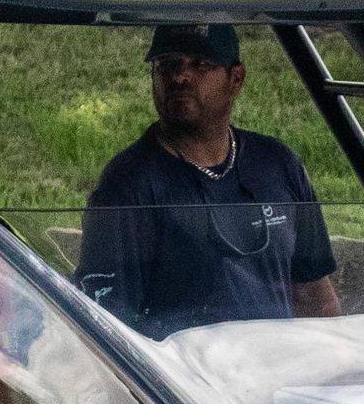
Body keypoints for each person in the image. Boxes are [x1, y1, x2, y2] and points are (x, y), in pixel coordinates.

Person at [73, 23, 342, 334]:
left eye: (200, 64)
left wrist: (337, 369)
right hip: (185, 379)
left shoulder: (278, 163)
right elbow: (107, 321)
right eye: (167, 65)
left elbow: (314, 295)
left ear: (236, 78)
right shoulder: (128, 185)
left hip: (276, 374)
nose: (179, 77)